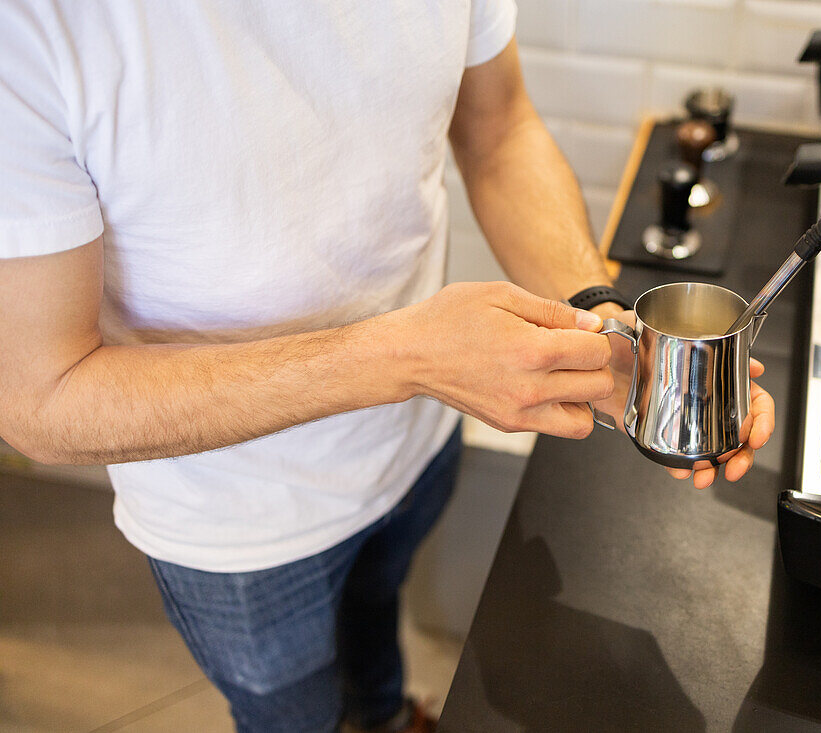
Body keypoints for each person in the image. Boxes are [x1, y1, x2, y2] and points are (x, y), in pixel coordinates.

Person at [0, 2, 775, 731]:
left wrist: (603, 323)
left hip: (416, 441)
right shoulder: (36, 28)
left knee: (378, 632)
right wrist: (404, 357)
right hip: (236, 525)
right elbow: (44, 397)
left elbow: (500, 131)